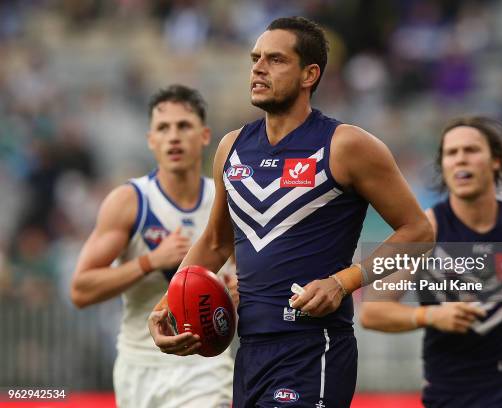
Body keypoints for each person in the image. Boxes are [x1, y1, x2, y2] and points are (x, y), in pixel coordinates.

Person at [147, 16, 434, 408]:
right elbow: (216, 242)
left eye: (276, 59)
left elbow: (418, 232)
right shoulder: (231, 148)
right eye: (255, 58)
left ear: (309, 74)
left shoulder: (346, 145)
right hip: (250, 351)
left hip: (313, 347)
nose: (259, 68)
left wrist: (343, 282)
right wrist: (168, 304)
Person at [360, 116, 502, 408]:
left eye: (471, 150)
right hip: (447, 392)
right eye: (451, 153)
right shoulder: (425, 232)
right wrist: (430, 317)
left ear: (496, 161)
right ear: (444, 167)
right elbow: (372, 311)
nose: (461, 159)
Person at [70, 85, 234, 408]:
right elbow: (80, 290)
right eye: (163, 128)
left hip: (205, 366)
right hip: (140, 365)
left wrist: (235, 288)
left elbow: (245, 273)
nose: (174, 136)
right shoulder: (130, 202)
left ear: (204, 136)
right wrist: (148, 262)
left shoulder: (224, 199)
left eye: (184, 126)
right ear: (151, 140)